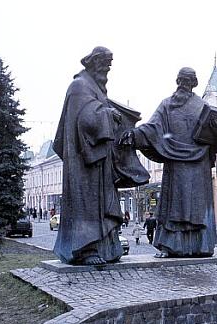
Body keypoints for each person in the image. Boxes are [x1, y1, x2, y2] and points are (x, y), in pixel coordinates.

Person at [120, 68, 217, 258]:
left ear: (193, 84)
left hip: (199, 165)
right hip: (176, 164)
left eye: (187, 82)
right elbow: (152, 127)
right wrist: (134, 134)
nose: (183, 85)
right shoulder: (167, 105)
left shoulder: (203, 107)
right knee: (175, 207)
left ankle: (200, 246)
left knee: (196, 208)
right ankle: (172, 246)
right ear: (177, 81)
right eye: (181, 81)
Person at [52, 46, 124, 265]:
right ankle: (85, 250)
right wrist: (107, 114)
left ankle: (107, 247)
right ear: (94, 63)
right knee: (88, 205)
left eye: (109, 67)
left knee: (103, 203)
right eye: (105, 66)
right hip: (85, 162)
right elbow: (83, 120)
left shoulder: (95, 89)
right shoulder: (79, 86)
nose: (107, 72)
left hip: (100, 160)